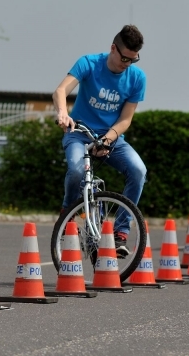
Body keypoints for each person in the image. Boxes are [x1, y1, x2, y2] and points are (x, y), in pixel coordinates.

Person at [52, 24, 148, 258]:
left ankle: (120, 232)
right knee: (76, 171)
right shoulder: (89, 63)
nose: (127, 64)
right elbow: (60, 91)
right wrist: (63, 113)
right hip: (79, 132)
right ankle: (68, 212)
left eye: (133, 60)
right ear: (113, 48)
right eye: (124, 58)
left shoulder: (137, 78)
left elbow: (125, 120)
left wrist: (106, 140)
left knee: (138, 170)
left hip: (110, 137)